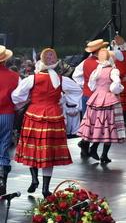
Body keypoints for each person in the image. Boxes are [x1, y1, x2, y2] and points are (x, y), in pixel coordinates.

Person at [12, 48, 73, 197]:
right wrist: (64, 101)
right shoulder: (61, 79)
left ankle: (34, 179)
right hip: (53, 116)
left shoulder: (32, 79)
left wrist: (27, 100)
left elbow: (16, 96)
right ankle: (45, 188)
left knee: (32, 149)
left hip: (33, 115)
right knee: (48, 153)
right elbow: (76, 91)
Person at [78, 48, 126, 165]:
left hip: (96, 98)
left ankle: (95, 149)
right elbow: (115, 85)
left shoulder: (98, 70)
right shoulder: (113, 71)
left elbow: (91, 85)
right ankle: (102, 153)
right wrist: (117, 89)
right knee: (109, 126)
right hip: (109, 99)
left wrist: (99, 90)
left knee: (99, 125)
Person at [73, 38, 109, 157]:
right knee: (100, 123)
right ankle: (88, 147)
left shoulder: (85, 62)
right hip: (99, 96)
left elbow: (76, 75)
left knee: (88, 123)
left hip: (87, 95)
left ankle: (85, 146)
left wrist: (85, 85)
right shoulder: (103, 64)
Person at [0, 45, 19, 195]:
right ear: (5, 60)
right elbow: (19, 97)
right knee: (5, 144)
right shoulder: (14, 76)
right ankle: (2, 179)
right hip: (7, 112)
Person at [112, 35, 126, 125]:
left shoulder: (117, 53)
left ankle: (125, 120)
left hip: (121, 80)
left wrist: (113, 46)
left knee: (122, 101)